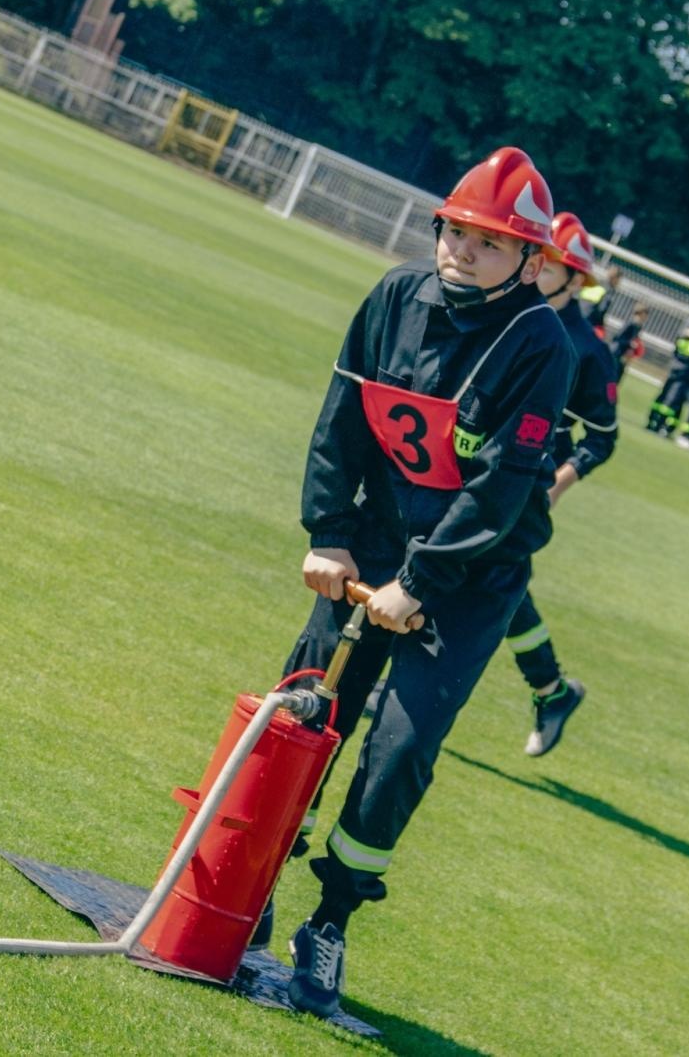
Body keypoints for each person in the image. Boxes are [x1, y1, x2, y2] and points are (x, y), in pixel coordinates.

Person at [274, 147, 574, 1018]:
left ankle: (328, 920)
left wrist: (422, 580)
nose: (462, 248)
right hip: (372, 537)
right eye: (455, 229)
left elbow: (500, 488)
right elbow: (341, 424)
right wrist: (331, 536)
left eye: (489, 240)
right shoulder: (391, 298)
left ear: (529, 260)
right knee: (301, 706)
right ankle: (247, 874)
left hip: (471, 572)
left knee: (401, 747)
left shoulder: (539, 343)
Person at [504, 211, 617, 756]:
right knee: (494, 582)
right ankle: (551, 692)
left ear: (575, 281)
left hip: (527, 483)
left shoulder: (590, 351)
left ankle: (550, 691)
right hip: (475, 467)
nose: (535, 268)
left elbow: (601, 438)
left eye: (548, 265)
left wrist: (556, 487)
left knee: (482, 573)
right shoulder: (503, 309)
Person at [608, 301, 648, 384]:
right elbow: (616, 338)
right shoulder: (630, 324)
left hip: (623, 358)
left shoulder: (638, 327)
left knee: (616, 381)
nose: (646, 317)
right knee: (611, 380)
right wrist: (630, 343)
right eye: (645, 314)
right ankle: (607, 396)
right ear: (640, 314)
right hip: (616, 355)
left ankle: (610, 396)